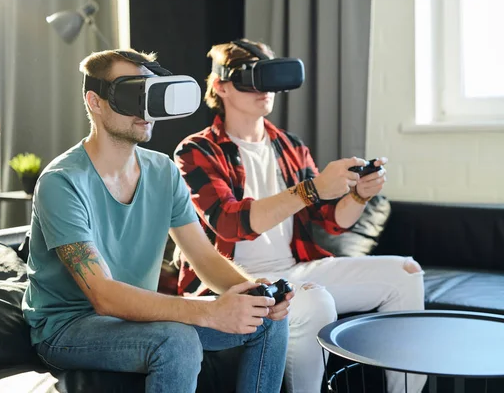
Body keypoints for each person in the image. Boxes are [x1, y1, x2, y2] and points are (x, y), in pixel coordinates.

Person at [21, 48, 293, 393]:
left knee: (267, 322)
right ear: (95, 101)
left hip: (136, 319)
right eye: (132, 95)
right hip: (68, 327)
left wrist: (254, 294)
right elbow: (104, 296)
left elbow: (205, 258)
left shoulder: (162, 170)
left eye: (151, 94)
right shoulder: (62, 181)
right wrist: (209, 313)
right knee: (176, 341)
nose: (146, 109)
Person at [173, 39, 427, 393]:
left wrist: (358, 194)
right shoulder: (196, 150)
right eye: (252, 78)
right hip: (235, 281)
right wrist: (312, 189)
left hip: (294, 266)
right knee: (316, 301)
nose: (264, 89)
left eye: (270, 77)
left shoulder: (290, 146)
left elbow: (333, 220)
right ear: (221, 87)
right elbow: (230, 223)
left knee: (407, 273)